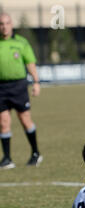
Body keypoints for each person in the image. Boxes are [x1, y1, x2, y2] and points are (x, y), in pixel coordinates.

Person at [0, 12, 42, 169]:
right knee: (3, 123)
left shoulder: (21, 43)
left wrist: (36, 82)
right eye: (1, 24)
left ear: (11, 25)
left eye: (7, 23)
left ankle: (36, 153)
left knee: (25, 120)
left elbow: (30, 63)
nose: (4, 27)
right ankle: (7, 158)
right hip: (1, 88)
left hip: (18, 86)